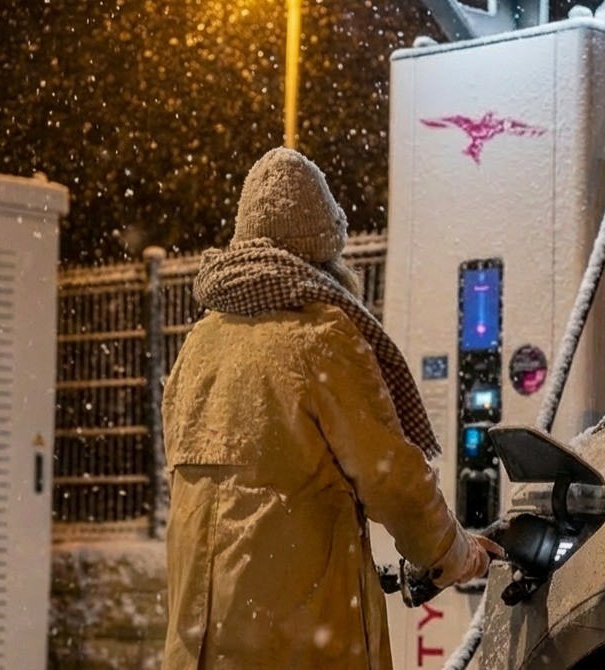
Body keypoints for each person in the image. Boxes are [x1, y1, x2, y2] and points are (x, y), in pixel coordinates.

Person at [161, 147, 500, 670]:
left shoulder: (197, 346)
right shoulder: (321, 338)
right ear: (326, 252)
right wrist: (456, 555)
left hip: (199, 646)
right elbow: (392, 480)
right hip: (296, 645)